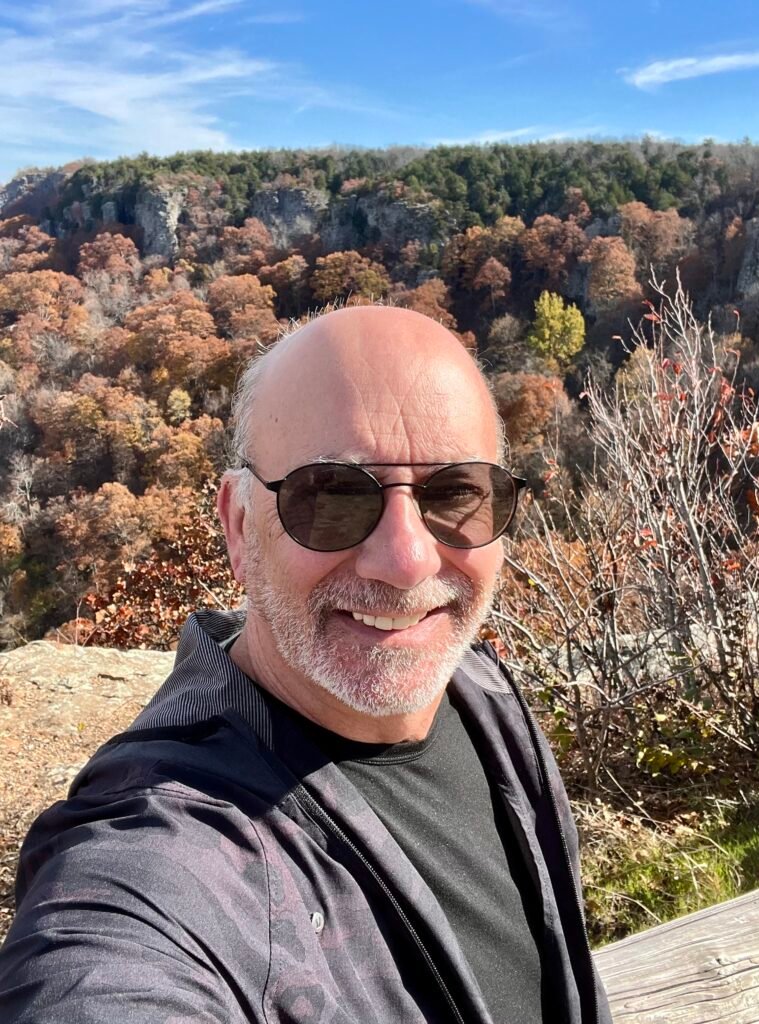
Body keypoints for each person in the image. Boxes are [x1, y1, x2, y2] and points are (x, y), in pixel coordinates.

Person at [0, 306, 612, 1023]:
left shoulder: (482, 693)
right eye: (332, 496)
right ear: (237, 525)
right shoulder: (164, 854)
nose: (407, 561)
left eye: (453, 493)